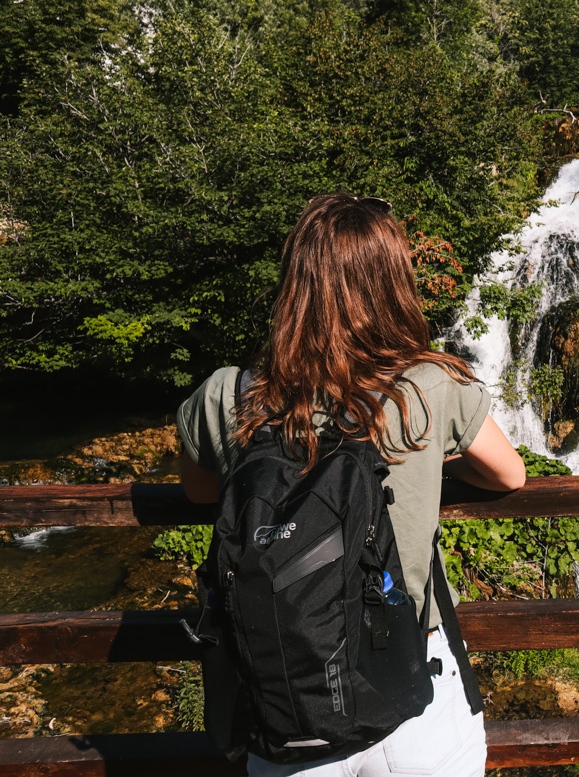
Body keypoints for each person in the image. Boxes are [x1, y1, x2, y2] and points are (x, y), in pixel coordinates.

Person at [176, 193, 526, 777]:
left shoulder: (227, 395)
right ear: (394, 281)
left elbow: (199, 492)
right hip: (414, 695)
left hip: (287, 708)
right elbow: (508, 473)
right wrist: (432, 455)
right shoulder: (429, 386)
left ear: (296, 284)